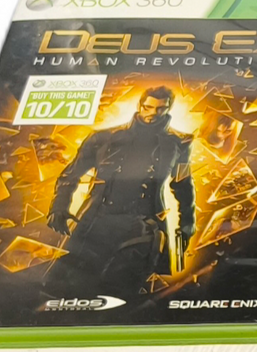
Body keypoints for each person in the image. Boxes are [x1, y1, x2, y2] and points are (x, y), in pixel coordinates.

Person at [48, 87, 195, 300]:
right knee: (69, 286)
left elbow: (183, 186)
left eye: (160, 109)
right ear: (140, 105)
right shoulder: (102, 138)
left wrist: (187, 227)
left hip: (143, 225)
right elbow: (70, 175)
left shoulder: (179, 143)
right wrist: (59, 207)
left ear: (168, 109)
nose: (152, 113)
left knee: (124, 292)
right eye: (148, 107)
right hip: (98, 220)